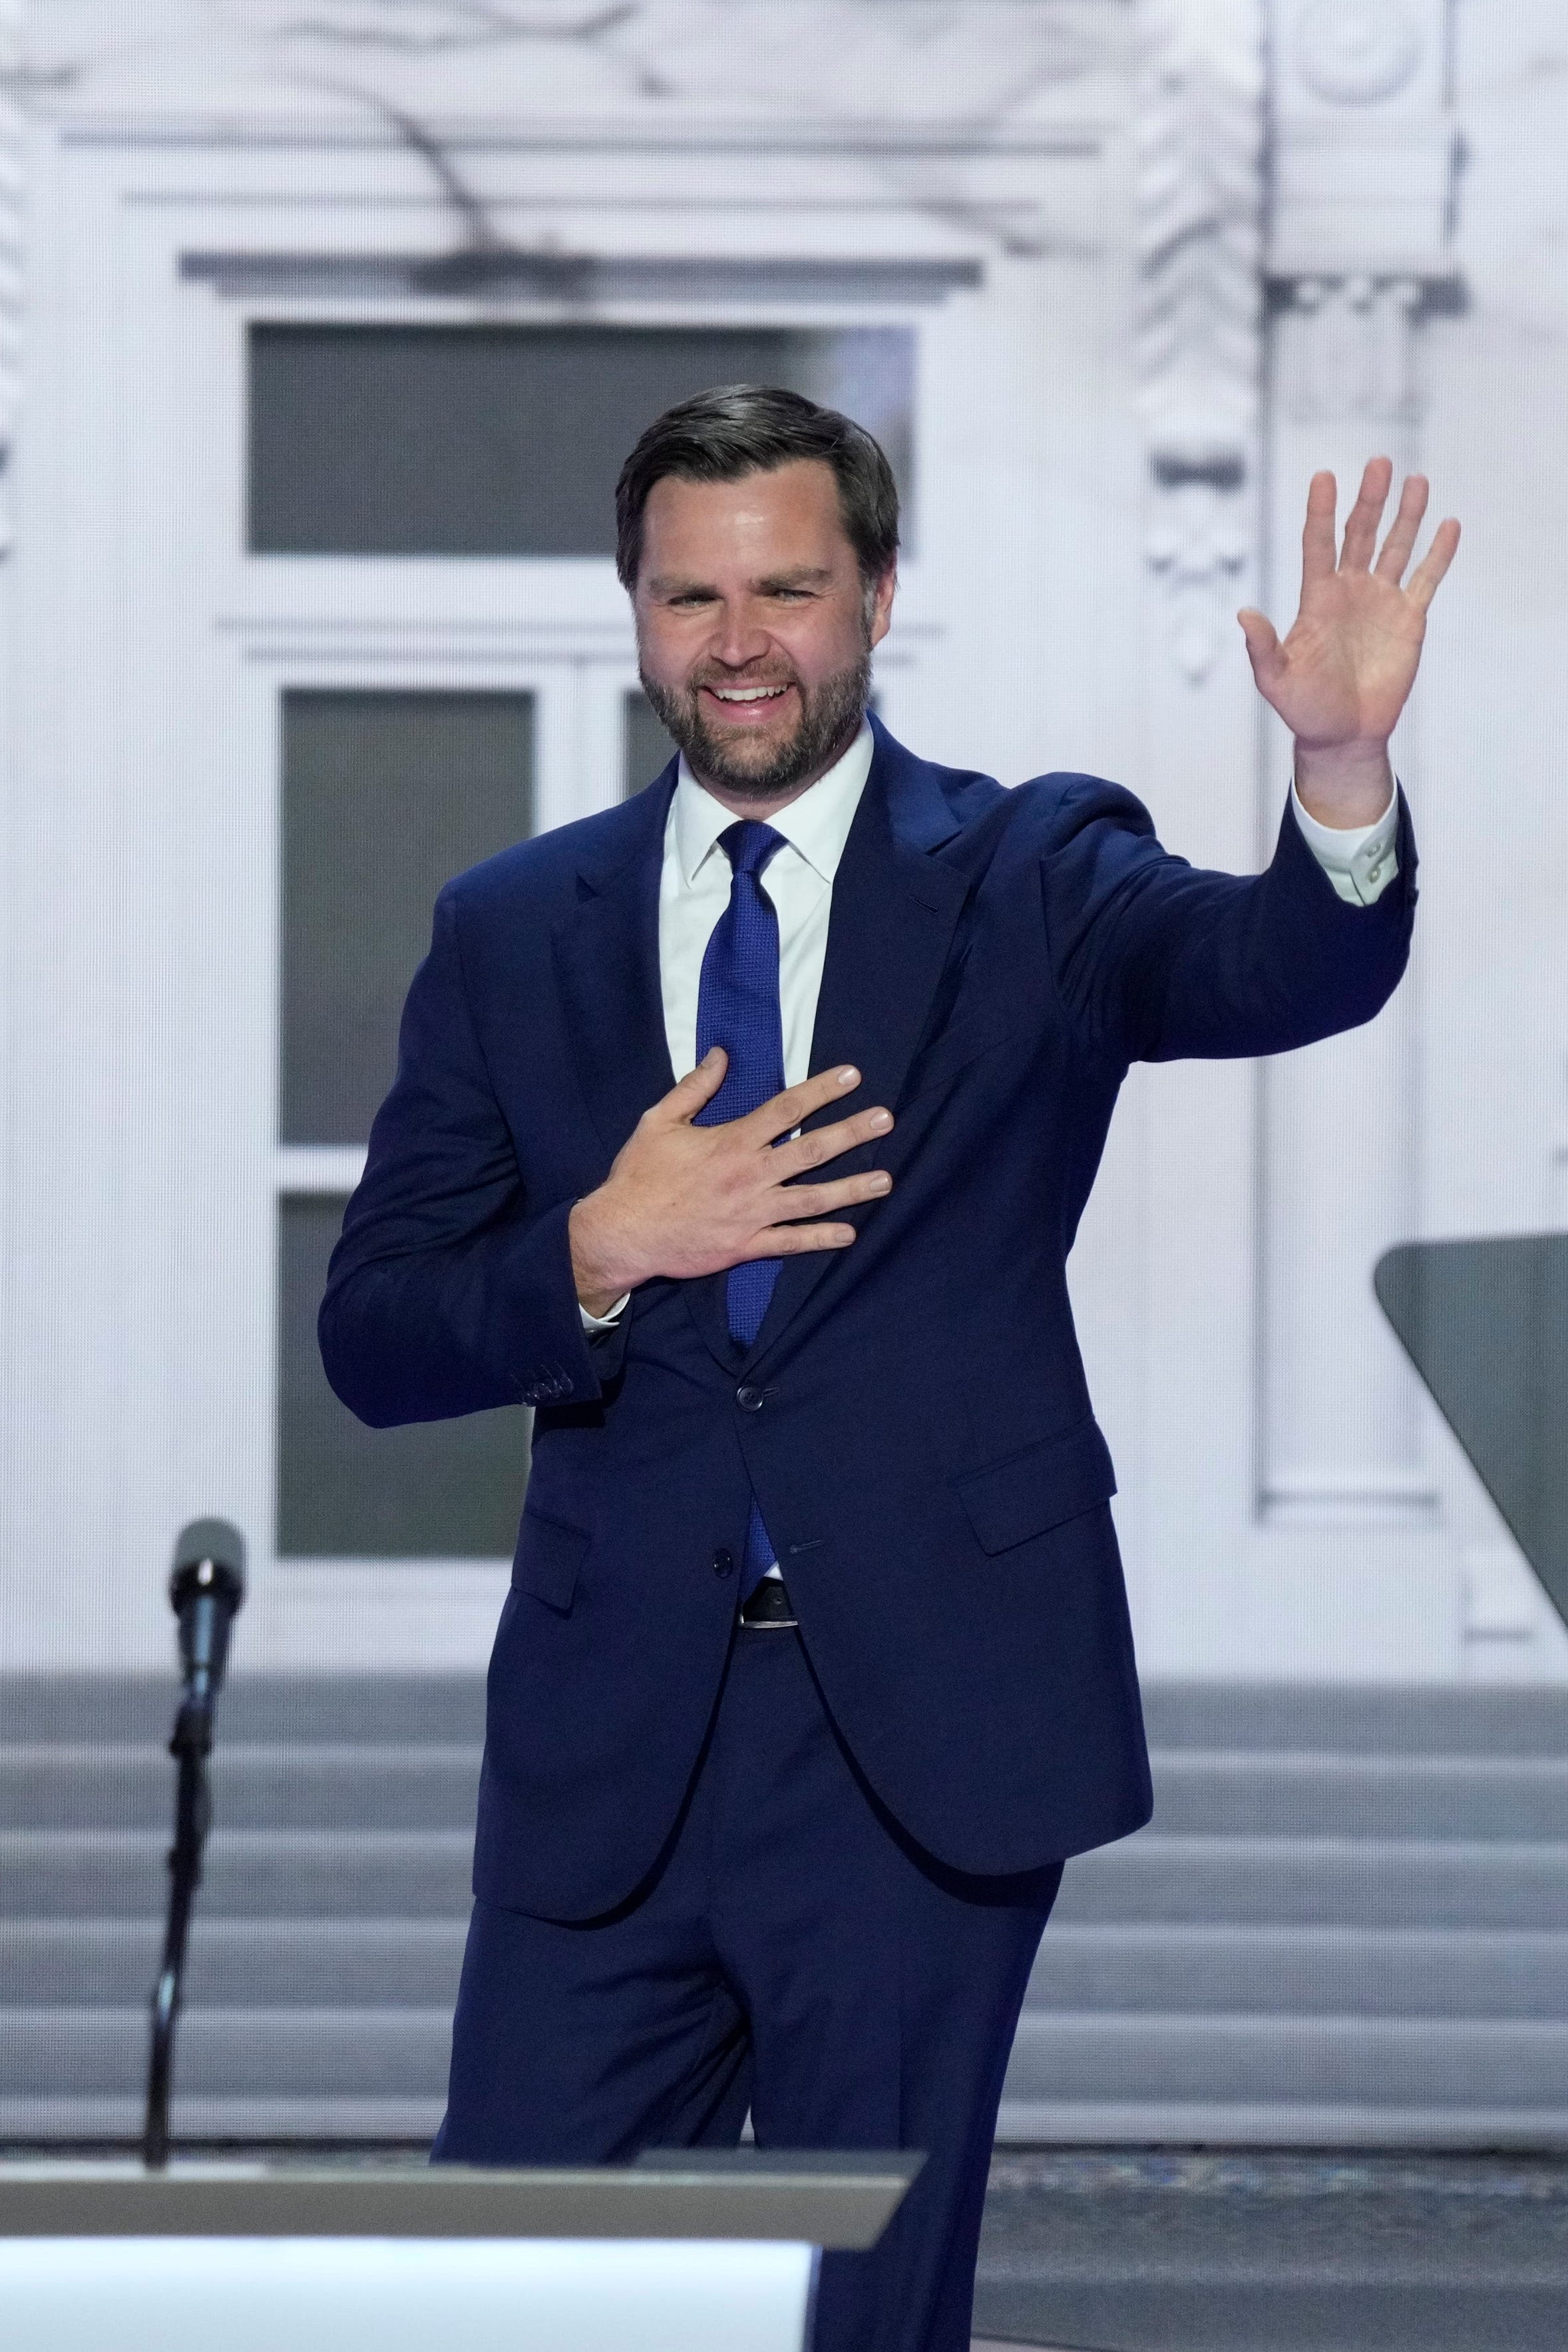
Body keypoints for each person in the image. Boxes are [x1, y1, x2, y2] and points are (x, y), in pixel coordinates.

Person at [319, 385, 1458, 2351]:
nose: (736, 640)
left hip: (915, 1734)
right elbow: (375, 1335)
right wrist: (599, 1244)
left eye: (784, 588)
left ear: (875, 595)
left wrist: (1340, 777)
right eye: (688, 598)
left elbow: (1277, 964)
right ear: (636, 614)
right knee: (506, 2299)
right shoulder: (512, 930)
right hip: (615, 1747)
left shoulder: (1030, 873)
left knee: (852, 2315)